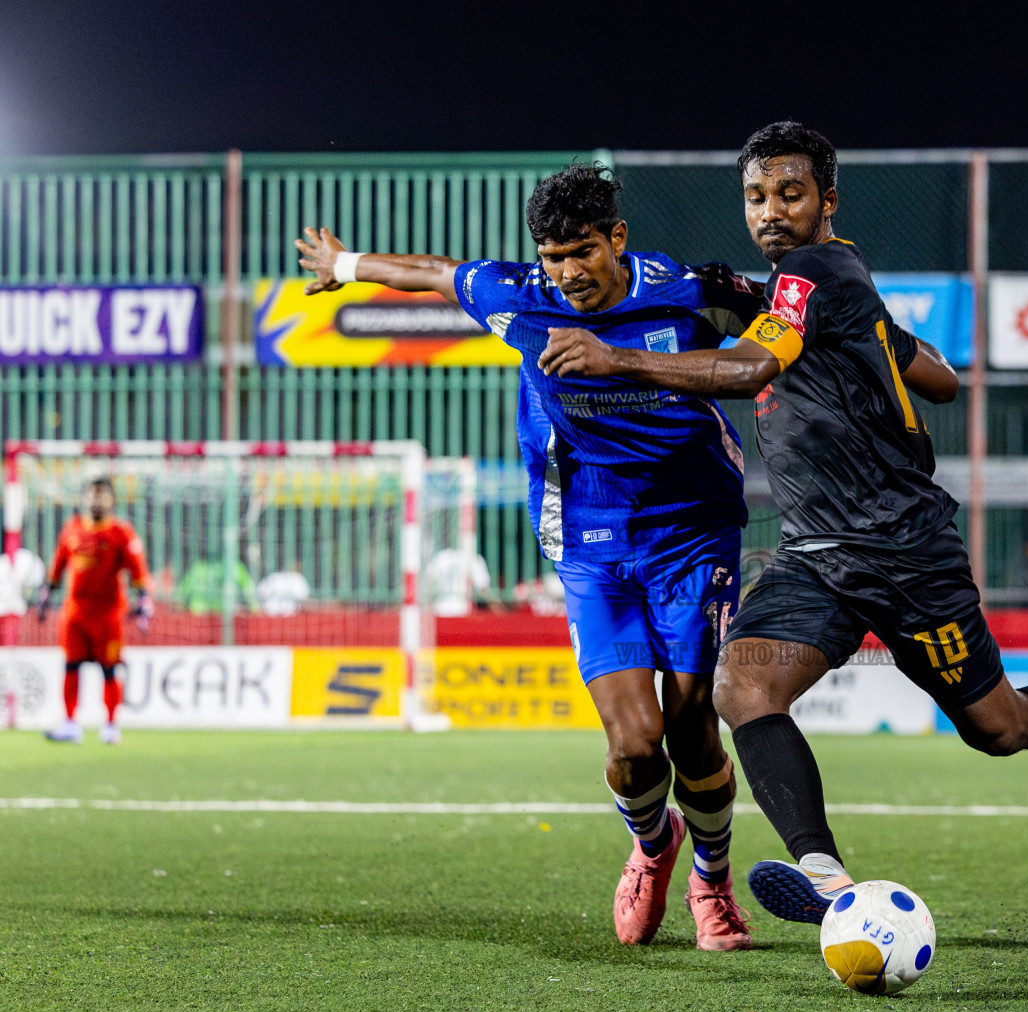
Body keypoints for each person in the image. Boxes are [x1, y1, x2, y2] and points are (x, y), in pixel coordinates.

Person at [539, 122, 1028, 925]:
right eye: (756, 197)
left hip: (907, 551)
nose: (770, 211)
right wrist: (874, 341)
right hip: (814, 560)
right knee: (742, 687)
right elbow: (937, 378)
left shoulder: (810, 271)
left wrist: (615, 356)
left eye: (790, 193)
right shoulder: (833, 281)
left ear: (827, 200)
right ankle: (827, 880)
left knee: (999, 727)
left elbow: (751, 367)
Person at [295, 164, 765, 951]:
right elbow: (437, 275)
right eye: (552, 257)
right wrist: (345, 268)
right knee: (632, 744)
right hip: (588, 534)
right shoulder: (520, 296)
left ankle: (711, 884)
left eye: (582, 251)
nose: (568, 274)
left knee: (693, 732)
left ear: (617, 238)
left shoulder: (687, 293)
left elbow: (791, 330)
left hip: (694, 529)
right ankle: (654, 851)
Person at [37, 479, 154, 745]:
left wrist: (144, 600)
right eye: (91, 495)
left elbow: (138, 571)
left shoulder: (121, 533)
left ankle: (111, 726)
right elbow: (57, 566)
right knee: (70, 666)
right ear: (83, 499)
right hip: (76, 613)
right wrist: (46, 594)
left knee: (110, 670)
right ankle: (69, 723)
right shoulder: (72, 529)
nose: (95, 501)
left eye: (101, 496)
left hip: (107, 615)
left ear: (112, 502)